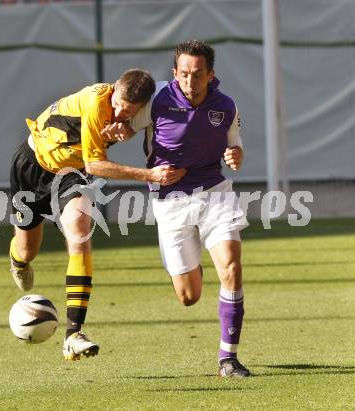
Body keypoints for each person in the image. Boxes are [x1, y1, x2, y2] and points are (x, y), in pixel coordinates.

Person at [9, 69, 186, 361]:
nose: (119, 113)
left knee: (80, 229)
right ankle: (18, 260)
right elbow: (95, 166)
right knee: (28, 249)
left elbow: (167, 96)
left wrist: (128, 127)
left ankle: (73, 334)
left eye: (128, 112)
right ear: (114, 88)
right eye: (117, 105)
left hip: (69, 174)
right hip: (31, 165)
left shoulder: (134, 112)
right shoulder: (95, 102)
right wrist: (147, 175)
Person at [103, 40, 250, 377]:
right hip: (170, 199)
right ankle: (189, 263)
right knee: (188, 296)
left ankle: (228, 358)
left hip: (214, 190)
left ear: (210, 75)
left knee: (231, 266)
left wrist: (236, 155)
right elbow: (126, 129)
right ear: (174, 73)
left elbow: (236, 147)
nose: (190, 81)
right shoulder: (157, 101)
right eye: (183, 73)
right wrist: (118, 132)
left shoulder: (226, 106)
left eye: (197, 75)